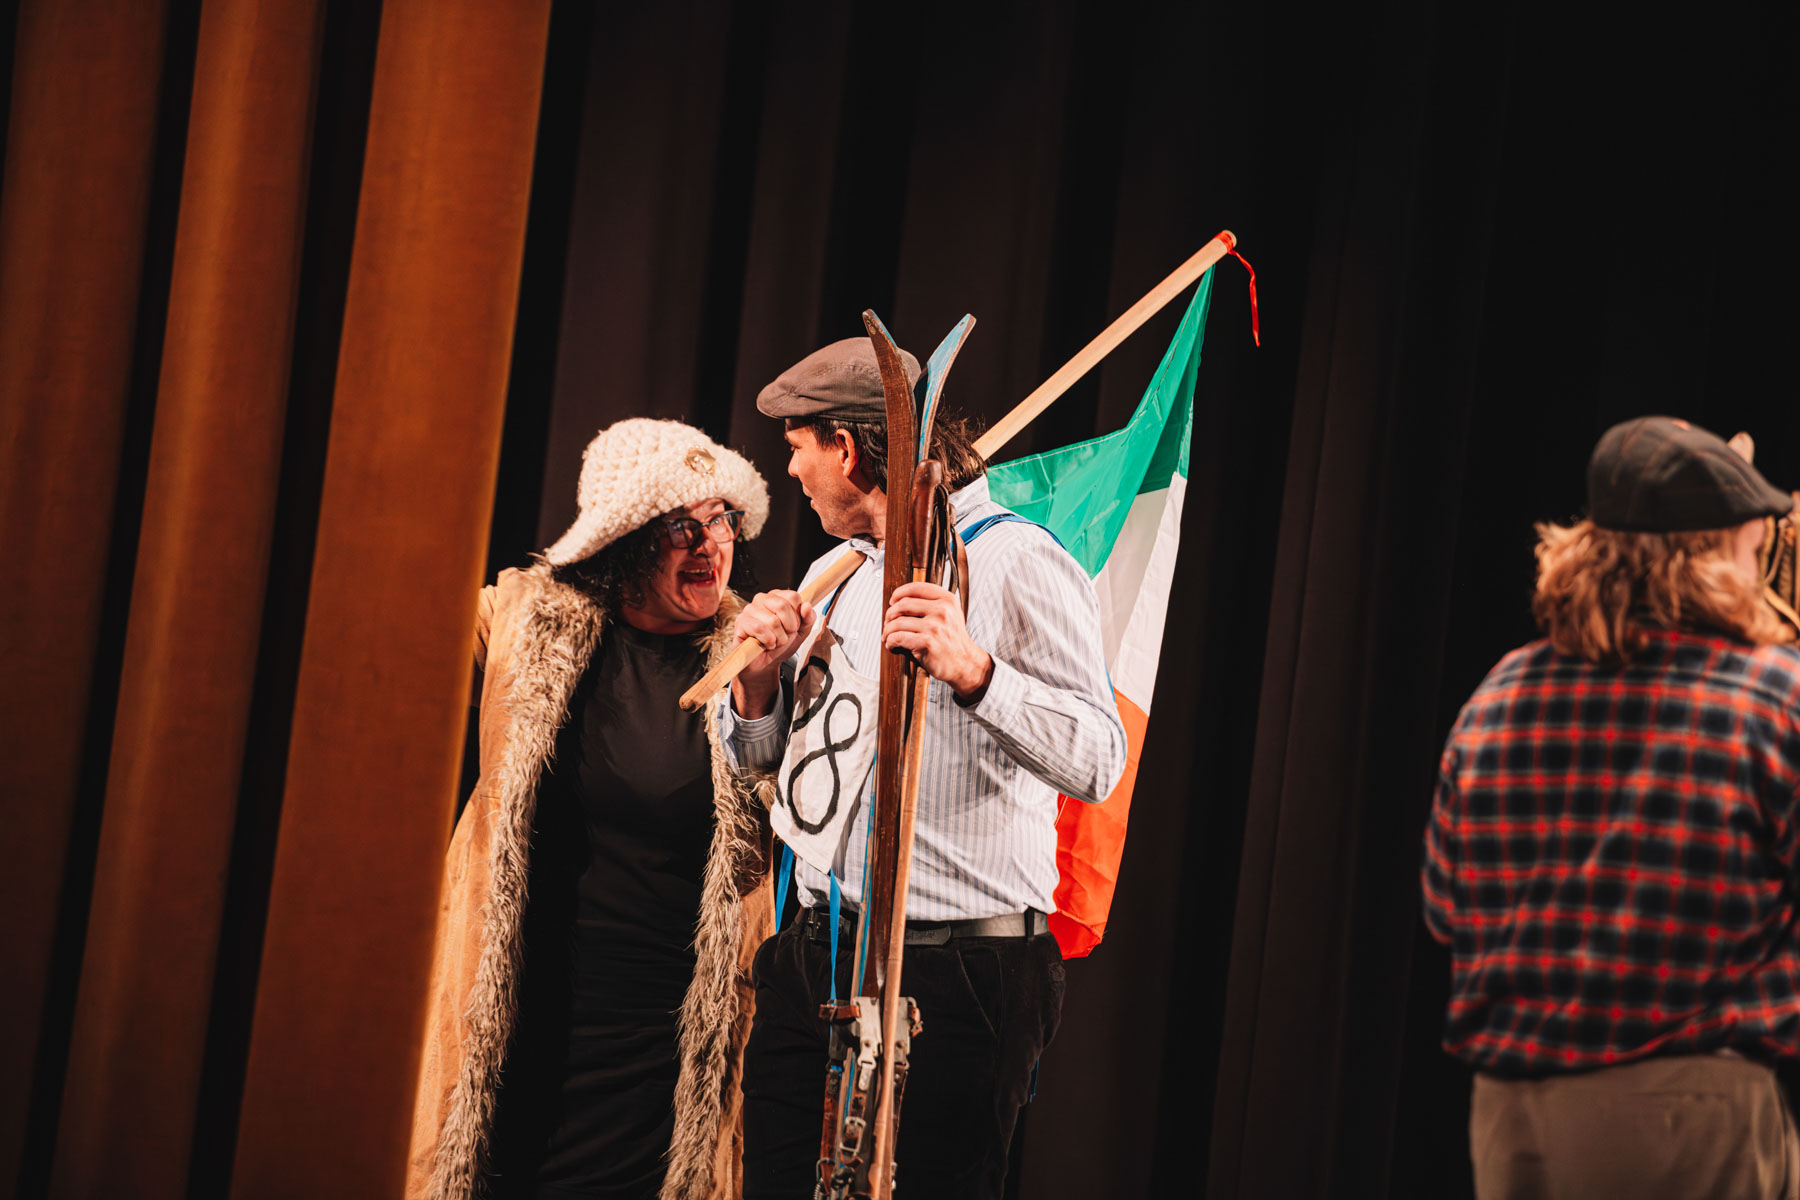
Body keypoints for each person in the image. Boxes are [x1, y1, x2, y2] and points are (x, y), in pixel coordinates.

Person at [721, 337, 1129, 1198]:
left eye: (797, 447)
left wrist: (977, 673)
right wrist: (757, 685)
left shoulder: (1020, 562)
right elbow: (770, 769)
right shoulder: (837, 572)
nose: (789, 470)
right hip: (813, 955)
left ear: (847, 448)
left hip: (955, 978)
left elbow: (1099, 760)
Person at [1422, 416, 1800, 1198]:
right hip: (1688, 1114)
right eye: (1749, 549)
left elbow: (1443, 909)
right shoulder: (1772, 696)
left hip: (1512, 1118)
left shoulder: (1499, 693)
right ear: (1712, 558)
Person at [408, 419, 778, 1200]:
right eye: (680, 524)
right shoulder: (524, 622)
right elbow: (392, 640)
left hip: (663, 1046)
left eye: (720, 518)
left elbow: (778, 814)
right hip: (523, 1023)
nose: (709, 543)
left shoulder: (754, 654)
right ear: (625, 538)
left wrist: (761, 690)